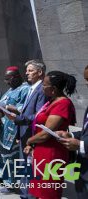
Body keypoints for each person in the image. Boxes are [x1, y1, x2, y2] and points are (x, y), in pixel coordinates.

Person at [24, 71, 77, 199]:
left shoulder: (63, 104)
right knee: (39, 192)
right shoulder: (51, 101)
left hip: (52, 155)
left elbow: (46, 134)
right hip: (42, 152)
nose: (42, 87)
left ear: (53, 89)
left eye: (44, 85)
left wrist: (29, 141)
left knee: (48, 193)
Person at [6, 60, 47, 198]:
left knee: (30, 168)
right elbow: (25, 111)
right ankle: (25, 194)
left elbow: (38, 116)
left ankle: (29, 195)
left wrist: (16, 118)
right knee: (24, 167)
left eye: (30, 70)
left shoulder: (42, 89)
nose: (27, 73)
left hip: (32, 136)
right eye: (27, 70)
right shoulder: (31, 88)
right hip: (23, 134)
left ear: (40, 72)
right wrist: (18, 133)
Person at [0, 66, 29, 194]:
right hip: (3, 129)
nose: (6, 81)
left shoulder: (25, 89)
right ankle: (3, 178)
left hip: (13, 130)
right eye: (5, 78)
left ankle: (10, 184)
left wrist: (6, 106)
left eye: (8, 78)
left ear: (16, 76)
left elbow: (22, 109)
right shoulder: (10, 89)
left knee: (10, 158)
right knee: (3, 156)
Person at [57, 66, 88, 199]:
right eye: (86, 79)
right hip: (83, 168)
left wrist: (80, 145)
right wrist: (72, 135)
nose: (86, 83)